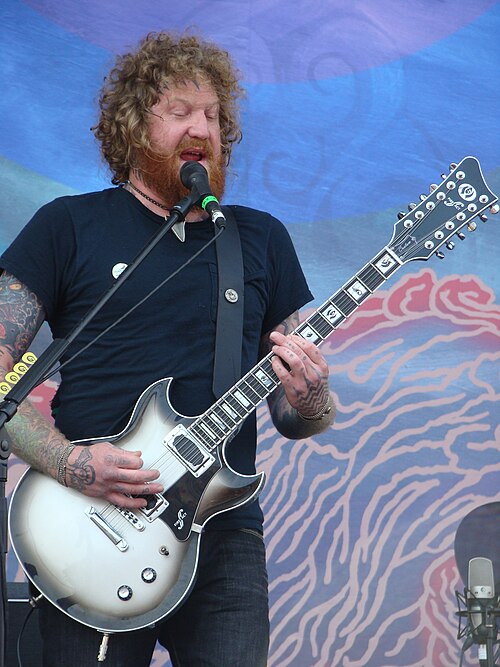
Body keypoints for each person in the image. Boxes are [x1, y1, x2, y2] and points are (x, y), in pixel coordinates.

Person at [0, 31, 335, 666]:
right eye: (180, 111)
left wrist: (313, 392)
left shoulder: (260, 240)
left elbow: (301, 420)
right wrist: (76, 466)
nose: (202, 127)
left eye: (212, 115)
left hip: (221, 531)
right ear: (132, 128)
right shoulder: (68, 226)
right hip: (89, 524)